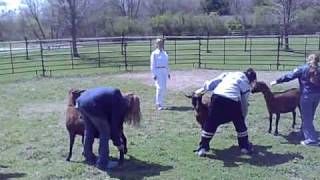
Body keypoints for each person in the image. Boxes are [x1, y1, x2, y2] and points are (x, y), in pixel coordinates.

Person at [195, 68, 257, 157]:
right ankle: (244, 147)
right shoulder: (246, 84)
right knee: (240, 124)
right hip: (232, 100)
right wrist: (243, 116)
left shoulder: (229, 74)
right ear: (251, 79)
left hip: (217, 97)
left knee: (211, 122)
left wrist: (200, 90)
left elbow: (212, 83)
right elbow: (243, 103)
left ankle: (202, 148)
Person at [76, 87, 139, 170]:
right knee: (105, 131)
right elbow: (114, 128)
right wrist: (118, 144)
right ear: (131, 105)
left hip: (81, 101)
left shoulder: (115, 95)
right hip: (92, 105)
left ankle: (88, 156)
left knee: (89, 129)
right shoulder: (120, 103)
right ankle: (103, 163)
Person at [270, 53, 320, 146]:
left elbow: (290, 76)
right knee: (310, 115)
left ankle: (311, 140)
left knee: (306, 117)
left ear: (308, 59)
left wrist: (277, 81)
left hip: (306, 95)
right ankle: (304, 132)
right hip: (317, 95)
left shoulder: (303, 68)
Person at [150, 38, 170, 110]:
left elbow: (167, 64)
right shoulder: (154, 53)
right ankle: (158, 104)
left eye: (161, 43)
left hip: (164, 71)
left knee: (164, 88)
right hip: (158, 71)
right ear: (156, 44)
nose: (160, 44)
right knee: (159, 88)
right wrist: (154, 74)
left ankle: (161, 103)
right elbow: (152, 64)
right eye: (159, 43)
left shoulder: (165, 53)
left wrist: (168, 72)